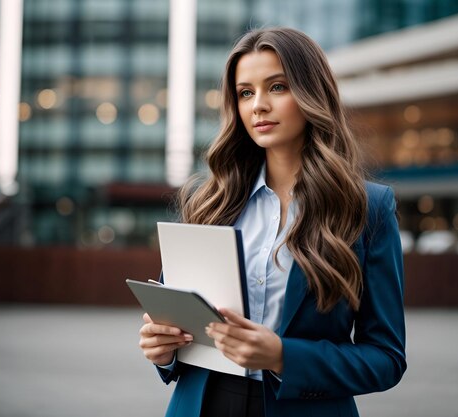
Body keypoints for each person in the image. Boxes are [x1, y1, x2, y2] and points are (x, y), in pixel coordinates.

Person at [138, 27, 406, 417]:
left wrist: (283, 356)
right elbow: (177, 327)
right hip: (201, 406)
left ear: (311, 93)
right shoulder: (208, 202)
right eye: (246, 93)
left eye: (277, 87)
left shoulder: (367, 207)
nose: (258, 106)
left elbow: (386, 357)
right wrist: (161, 351)